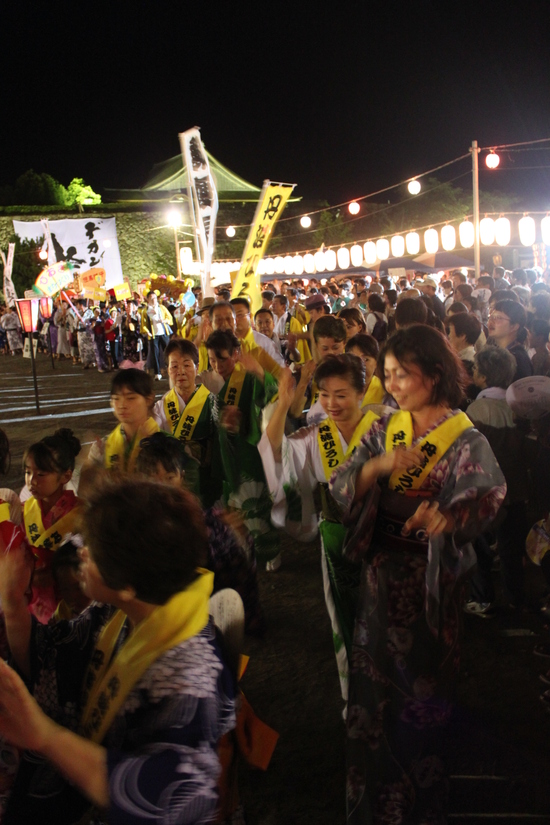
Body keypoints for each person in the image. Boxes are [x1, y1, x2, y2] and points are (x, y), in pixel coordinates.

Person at [329, 325, 506, 825]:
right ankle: (370, 799)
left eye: (402, 375)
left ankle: (419, 802)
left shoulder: (464, 436)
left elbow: (490, 497)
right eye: (386, 376)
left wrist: (448, 518)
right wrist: (379, 465)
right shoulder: (385, 427)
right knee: (371, 693)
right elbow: (343, 485)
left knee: (420, 694)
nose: (393, 386)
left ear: (433, 374)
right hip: (380, 579)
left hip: (429, 582)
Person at [0, 479, 236, 824]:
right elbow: (53, 654)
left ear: (126, 584)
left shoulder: (190, 678)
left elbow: (172, 798)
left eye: (91, 551)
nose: (80, 552)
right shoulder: (123, 611)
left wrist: (46, 736)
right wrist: (13, 601)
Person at [259, 357, 379, 697]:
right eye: (324, 394)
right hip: (338, 534)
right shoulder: (315, 435)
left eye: (341, 394)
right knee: (345, 614)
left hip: (383, 535)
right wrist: (283, 404)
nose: (331, 404)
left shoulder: (383, 426)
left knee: (385, 612)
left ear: (362, 390)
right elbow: (275, 452)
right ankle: (352, 693)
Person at [136, 432, 263, 635]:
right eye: (153, 480)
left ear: (182, 477)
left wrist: (237, 539)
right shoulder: (133, 522)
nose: (162, 488)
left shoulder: (209, 524)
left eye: (169, 478)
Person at [205, 330, 280, 569]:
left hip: (250, 455)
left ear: (237, 354)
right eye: (212, 360)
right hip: (227, 454)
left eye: (223, 359)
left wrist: (259, 373)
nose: (218, 366)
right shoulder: (211, 381)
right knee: (234, 506)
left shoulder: (247, 378)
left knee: (256, 506)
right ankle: (243, 548)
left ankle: (269, 551)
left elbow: (271, 398)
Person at [22, 429, 83, 623]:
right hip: (31, 597)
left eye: (41, 474)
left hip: (65, 601)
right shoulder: (25, 509)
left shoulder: (80, 514)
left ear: (65, 476)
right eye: (28, 472)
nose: (32, 481)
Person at [152, 337, 219, 505]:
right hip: (172, 486)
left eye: (187, 365)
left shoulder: (213, 402)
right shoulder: (161, 407)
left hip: (207, 483)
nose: (180, 371)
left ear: (197, 368)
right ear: (167, 370)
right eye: (174, 366)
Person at [86, 369, 159, 473]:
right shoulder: (101, 448)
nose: (122, 405)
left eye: (130, 398)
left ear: (149, 399)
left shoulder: (165, 445)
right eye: (116, 398)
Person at [487, 299, 533, 382]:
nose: (491, 321)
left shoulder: (517, 360)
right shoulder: (495, 350)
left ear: (514, 326)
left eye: (498, 318)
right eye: (491, 317)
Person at [140, 291, 172, 379]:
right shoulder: (145, 311)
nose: (154, 300)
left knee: (168, 352)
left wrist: (164, 321)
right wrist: (147, 332)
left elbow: (170, 318)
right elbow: (143, 324)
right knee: (155, 354)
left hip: (163, 333)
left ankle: (171, 369)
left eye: (155, 298)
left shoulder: (161, 308)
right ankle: (157, 372)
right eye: (151, 298)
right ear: (148, 299)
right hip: (153, 335)